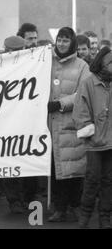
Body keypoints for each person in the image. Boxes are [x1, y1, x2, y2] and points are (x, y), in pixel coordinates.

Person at [47, 27, 90, 223]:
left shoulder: (82, 65)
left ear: (72, 43)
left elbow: (83, 91)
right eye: (59, 40)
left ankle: (75, 206)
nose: (62, 44)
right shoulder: (47, 62)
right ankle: (59, 208)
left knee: (75, 169)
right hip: (49, 125)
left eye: (66, 40)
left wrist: (60, 104)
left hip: (71, 124)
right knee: (55, 171)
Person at [73, 46, 112, 229]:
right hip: (95, 143)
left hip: (111, 143)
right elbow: (80, 112)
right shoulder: (88, 83)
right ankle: (85, 216)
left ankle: (105, 217)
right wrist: (92, 133)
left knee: (108, 181)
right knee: (92, 180)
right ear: (102, 63)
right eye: (111, 62)